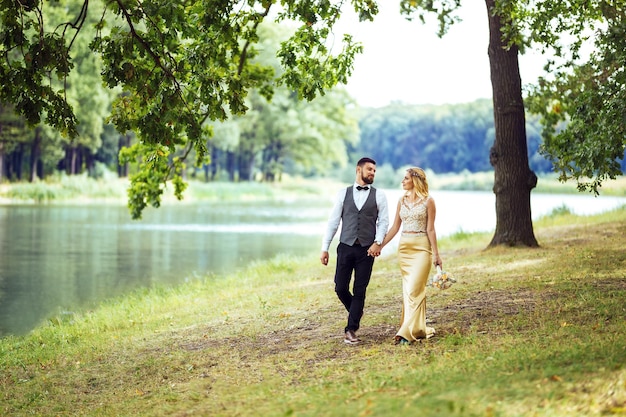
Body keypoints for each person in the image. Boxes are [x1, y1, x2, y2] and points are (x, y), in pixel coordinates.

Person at [320, 157, 389, 345]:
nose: (373, 173)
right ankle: (356, 310)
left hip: (367, 249)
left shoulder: (379, 195)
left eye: (374, 170)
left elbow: (383, 222)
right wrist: (324, 248)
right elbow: (333, 222)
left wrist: (378, 242)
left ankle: (350, 330)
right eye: (369, 169)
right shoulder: (343, 193)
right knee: (340, 287)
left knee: (360, 289)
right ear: (358, 170)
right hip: (345, 247)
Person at [379, 167, 442, 345]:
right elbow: (394, 228)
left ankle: (405, 333)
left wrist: (436, 254)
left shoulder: (429, 201)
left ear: (415, 180)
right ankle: (416, 328)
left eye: (406, 178)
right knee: (408, 291)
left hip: (422, 248)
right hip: (404, 249)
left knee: (415, 288)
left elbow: (431, 229)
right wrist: (380, 245)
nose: (402, 181)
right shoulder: (401, 200)